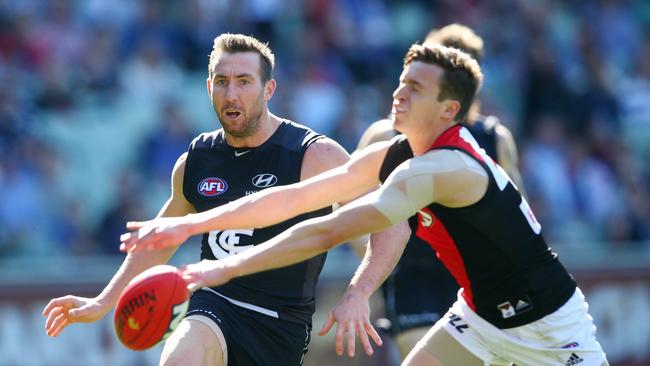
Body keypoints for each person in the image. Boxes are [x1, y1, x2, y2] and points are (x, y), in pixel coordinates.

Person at [120, 44, 609, 365]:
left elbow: (323, 231)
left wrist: (223, 269)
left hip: (550, 325)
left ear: (449, 110)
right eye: (401, 80)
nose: (398, 92)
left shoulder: (441, 169)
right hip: (480, 317)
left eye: (415, 88)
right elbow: (295, 197)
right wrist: (191, 226)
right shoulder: (400, 151)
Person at [42, 33, 408, 366]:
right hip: (212, 303)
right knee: (182, 356)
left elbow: (392, 225)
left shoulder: (314, 155)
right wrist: (102, 303)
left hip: (279, 328)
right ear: (208, 87)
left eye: (244, 82)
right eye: (222, 82)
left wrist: (358, 293)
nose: (231, 94)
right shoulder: (196, 160)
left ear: (269, 89)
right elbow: (159, 242)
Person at [353, 23, 525, 361]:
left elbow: (516, 215)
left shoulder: (494, 138)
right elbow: (347, 203)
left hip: (472, 277)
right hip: (411, 272)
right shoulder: (386, 137)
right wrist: (375, 262)